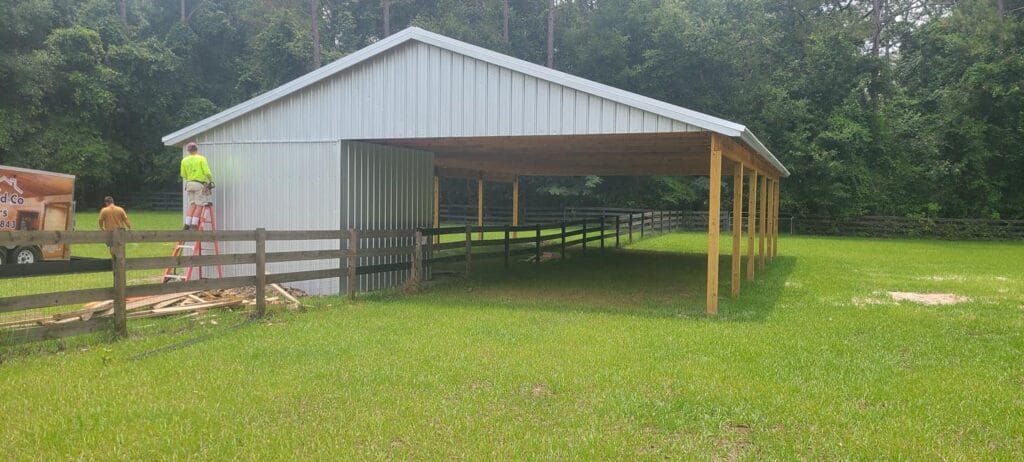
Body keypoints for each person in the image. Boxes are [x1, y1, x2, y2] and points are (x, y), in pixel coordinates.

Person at [180, 142, 214, 230]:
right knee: (199, 205)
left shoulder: (184, 160)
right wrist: (211, 180)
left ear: (188, 150)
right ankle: (194, 225)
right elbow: (207, 172)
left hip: (189, 184)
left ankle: (187, 224)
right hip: (199, 184)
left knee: (192, 204)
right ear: (196, 149)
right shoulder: (201, 159)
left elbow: (183, 174)